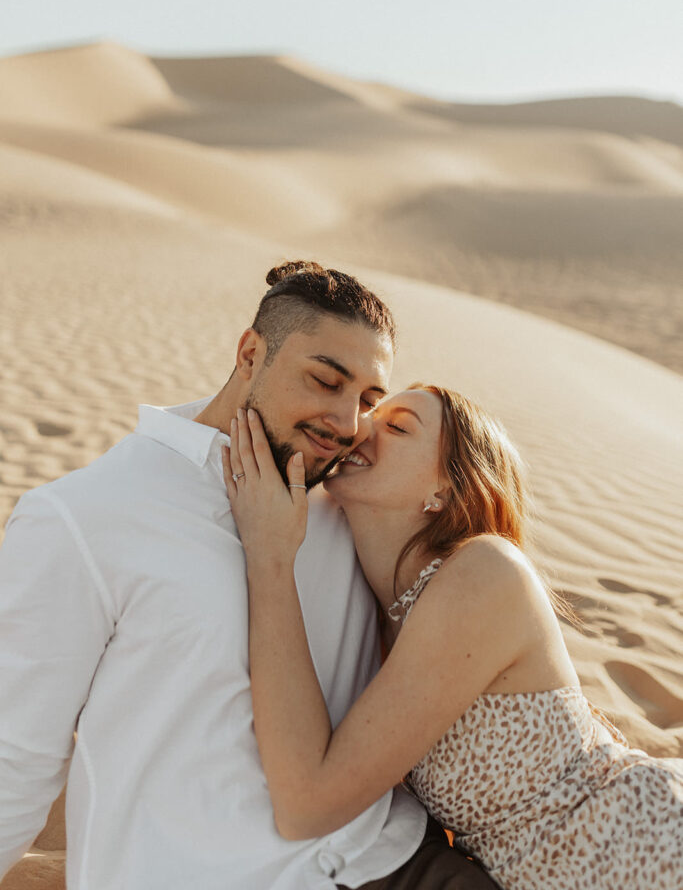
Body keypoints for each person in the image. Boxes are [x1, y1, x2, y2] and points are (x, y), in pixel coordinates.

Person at [0, 261, 495, 890]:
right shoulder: (82, 517)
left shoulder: (355, 501)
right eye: (324, 380)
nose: (346, 423)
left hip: (397, 866)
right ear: (250, 353)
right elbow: (17, 760)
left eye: (369, 401)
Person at [224, 384, 683, 890]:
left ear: (444, 490)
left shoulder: (484, 572)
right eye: (372, 416)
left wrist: (270, 557)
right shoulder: (384, 615)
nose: (363, 427)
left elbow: (307, 806)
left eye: (397, 427)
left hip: (650, 848)